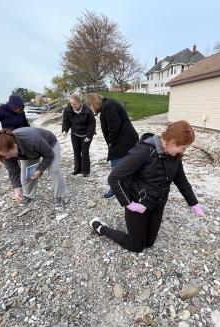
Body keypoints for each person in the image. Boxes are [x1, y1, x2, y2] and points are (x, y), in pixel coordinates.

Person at [89, 120, 205, 253]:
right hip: (138, 205)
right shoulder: (144, 151)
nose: (183, 151)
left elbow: (181, 181)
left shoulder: (175, 156)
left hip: (157, 205)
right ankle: (100, 228)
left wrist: (194, 204)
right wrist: (130, 204)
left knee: (149, 243)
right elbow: (114, 178)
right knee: (136, 247)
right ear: (173, 142)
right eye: (183, 147)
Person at [0, 128, 67, 210]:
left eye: (9, 154)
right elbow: (13, 171)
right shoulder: (5, 152)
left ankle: (59, 196)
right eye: (4, 155)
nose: (7, 158)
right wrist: (16, 188)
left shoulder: (33, 140)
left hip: (49, 145)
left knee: (54, 170)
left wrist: (40, 169)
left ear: (15, 147)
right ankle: (28, 196)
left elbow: (49, 155)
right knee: (27, 174)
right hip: (29, 152)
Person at [86, 93, 138, 199]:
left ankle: (115, 188)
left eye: (90, 106)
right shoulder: (107, 105)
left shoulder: (108, 106)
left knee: (116, 163)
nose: (91, 109)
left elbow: (114, 127)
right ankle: (127, 186)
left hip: (123, 140)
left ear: (93, 103)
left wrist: (111, 142)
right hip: (126, 139)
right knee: (127, 163)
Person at [62, 92, 96, 177]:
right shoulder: (68, 109)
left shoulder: (87, 110)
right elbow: (66, 121)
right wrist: (65, 130)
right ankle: (77, 170)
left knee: (84, 153)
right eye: (71, 103)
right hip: (75, 133)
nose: (72, 105)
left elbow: (92, 123)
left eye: (75, 104)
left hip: (86, 134)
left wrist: (89, 136)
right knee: (76, 152)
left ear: (80, 103)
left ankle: (85, 171)